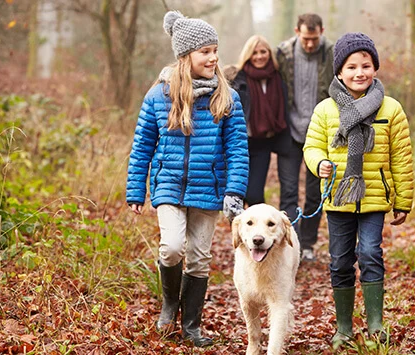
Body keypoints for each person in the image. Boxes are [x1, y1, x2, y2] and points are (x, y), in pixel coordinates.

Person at [125, 10, 248, 347]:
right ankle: (169, 304)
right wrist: (136, 189)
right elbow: (141, 147)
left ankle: (191, 324)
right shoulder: (158, 96)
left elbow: (238, 149)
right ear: (185, 56)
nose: (213, 57)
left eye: (214, 50)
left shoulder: (227, 97)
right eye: (205, 51)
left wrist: (234, 191)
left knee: (199, 255)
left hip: (209, 189)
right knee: (172, 247)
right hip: (168, 186)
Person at [303, 32, 414, 347]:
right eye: (351, 67)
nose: (359, 73)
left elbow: (402, 158)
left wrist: (403, 200)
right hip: (338, 198)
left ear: (375, 68)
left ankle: (376, 322)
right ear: (339, 72)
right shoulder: (325, 110)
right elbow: (311, 147)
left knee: (369, 253)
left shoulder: (390, 109)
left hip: (374, 197)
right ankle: (344, 326)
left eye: (366, 65)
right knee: (339, 260)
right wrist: (319, 162)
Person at [276, 13, 334, 261]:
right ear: (296, 31)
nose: (310, 44)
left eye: (314, 38)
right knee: (289, 191)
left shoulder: (331, 53)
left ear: (322, 31)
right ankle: (289, 242)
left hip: (319, 134)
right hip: (289, 131)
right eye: (306, 38)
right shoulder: (283, 53)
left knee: (314, 193)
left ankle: (307, 243)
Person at [229, 35, 293, 216]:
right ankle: (241, 235)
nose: (259, 56)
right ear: (248, 55)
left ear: (269, 53)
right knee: (238, 194)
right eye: (254, 52)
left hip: (262, 144)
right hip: (239, 143)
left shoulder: (277, 77)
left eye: (263, 52)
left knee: (255, 194)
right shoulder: (238, 78)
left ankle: (261, 228)